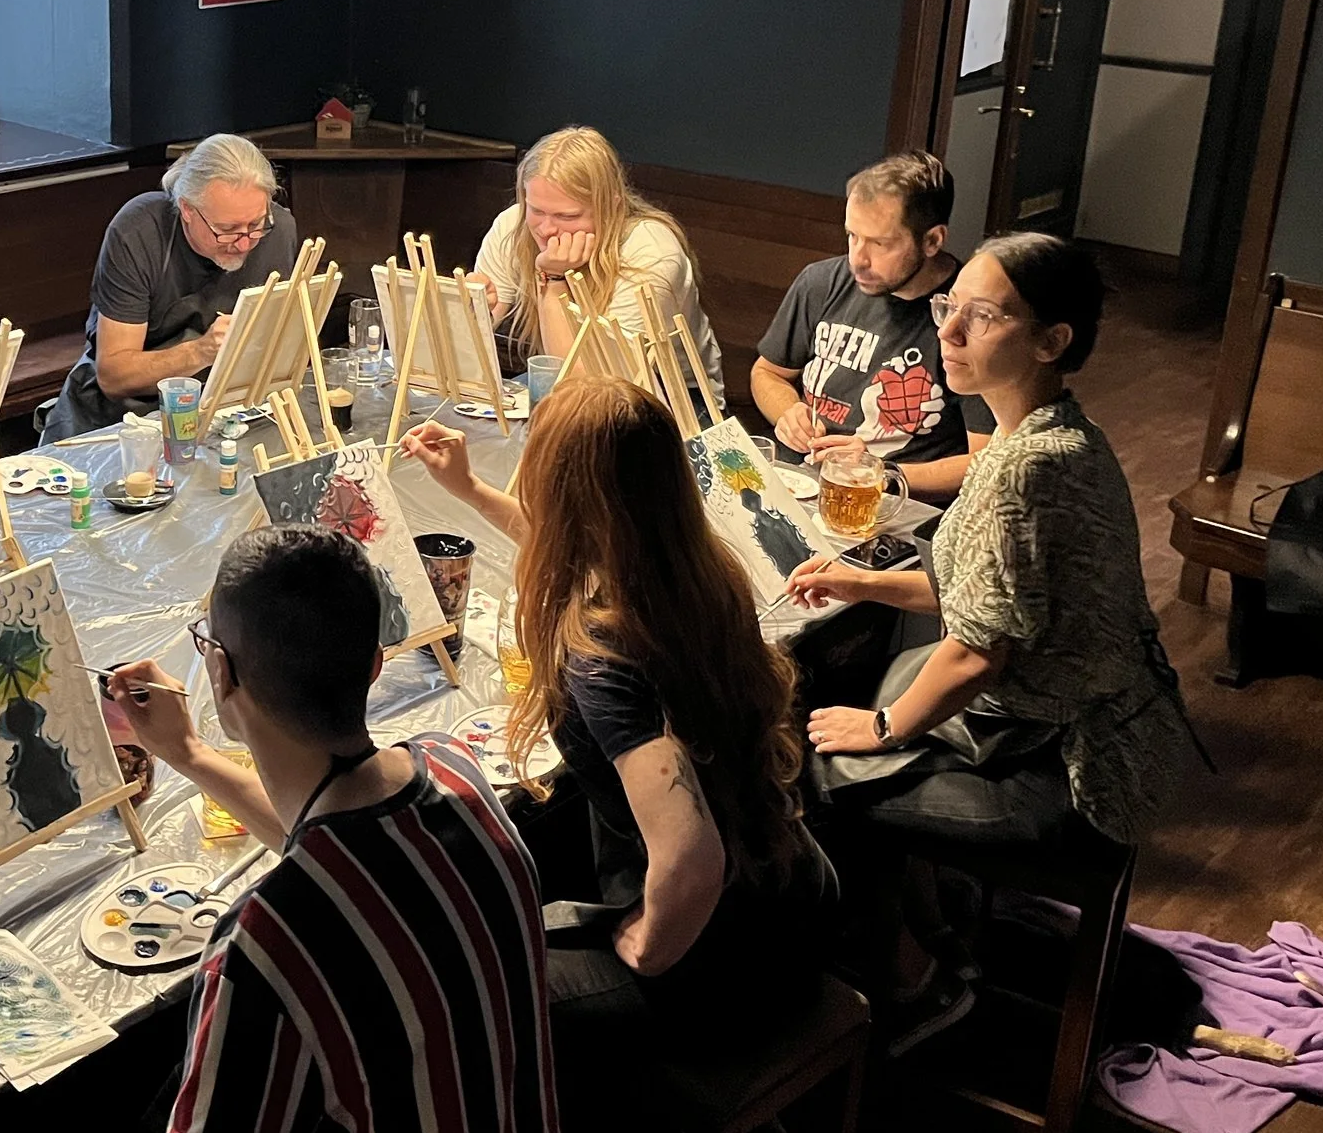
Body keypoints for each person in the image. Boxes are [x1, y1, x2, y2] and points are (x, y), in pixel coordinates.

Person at [405, 384, 836, 1133]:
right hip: (793, 894)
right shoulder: (695, 568)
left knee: (487, 988)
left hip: (727, 948)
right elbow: (585, 558)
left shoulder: (603, 659)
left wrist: (644, 951)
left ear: (571, 499)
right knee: (565, 918)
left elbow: (691, 855)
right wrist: (472, 492)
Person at [107, 526, 557, 1133]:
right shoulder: (459, 776)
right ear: (377, 664)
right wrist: (188, 756)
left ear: (218, 671)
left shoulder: (267, 948)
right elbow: (340, 841)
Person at [789, 234, 1197, 1038]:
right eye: (950, 309)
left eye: (981, 316)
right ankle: (940, 916)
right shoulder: (1040, 431)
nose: (948, 332)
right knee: (895, 669)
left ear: (1052, 341)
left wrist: (879, 730)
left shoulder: (1026, 466)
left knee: (816, 775)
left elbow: (979, 649)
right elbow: (984, 595)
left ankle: (920, 982)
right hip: (1074, 717)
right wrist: (864, 581)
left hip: (1077, 763)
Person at [749, 150, 992, 502]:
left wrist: (879, 471)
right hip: (802, 482)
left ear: (933, 241)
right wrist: (788, 412)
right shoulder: (820, 283)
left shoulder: (964, 320)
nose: (857, 260)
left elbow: (984, 461)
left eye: (880, 243)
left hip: (893, 501)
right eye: (852, 236)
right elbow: (767, 373)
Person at [43, 133, 301, 440]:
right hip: (121, 422)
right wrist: (202, 351)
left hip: (221, 414)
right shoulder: (140, 231)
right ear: (188, 209)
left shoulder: (279, 230)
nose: (244, 242)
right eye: (227, 230)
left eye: (256, 225)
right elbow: (114, 375)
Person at [474, 126, 724, 412]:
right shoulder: (513, 226)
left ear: (611, 207)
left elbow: (590, 388)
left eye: (567, 216)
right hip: (564, 382)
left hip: (675, 399)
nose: (545, 229)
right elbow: (475, 339)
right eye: (536, 210)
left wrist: (554, 281)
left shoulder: (652, 253)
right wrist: (471, 310)